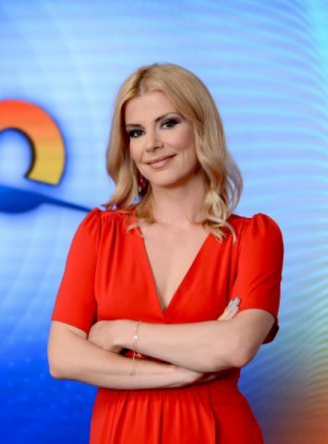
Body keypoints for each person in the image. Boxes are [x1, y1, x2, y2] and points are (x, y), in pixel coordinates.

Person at [47, 63, 284, 443]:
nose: (151, 144)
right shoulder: (99, 233)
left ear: (201, 128)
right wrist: (178, 373)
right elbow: (63, 357)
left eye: (168, 123)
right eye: (136, 132)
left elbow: (235, 346)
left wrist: (121, 331)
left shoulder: (254, 237)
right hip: (121, 431)